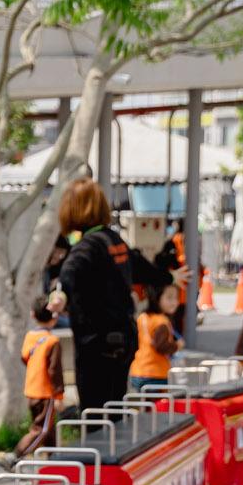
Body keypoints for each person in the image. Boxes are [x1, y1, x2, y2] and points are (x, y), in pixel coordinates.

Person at [47, 177, 182, 413]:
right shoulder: (115, 240)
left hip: (95, 342)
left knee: (94, 412)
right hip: (124, 338)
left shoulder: (86, 246)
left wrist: (58, 296)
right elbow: (141, 266)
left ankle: (100, 449)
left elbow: (68, 275)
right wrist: (171, 277)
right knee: (115, 407)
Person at [12, 296, 64, 464]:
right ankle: (18, 455)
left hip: (31, 389)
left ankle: (53, 458)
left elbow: (24, 357)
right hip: (46, 392)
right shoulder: (52, 341)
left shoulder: (29, 337)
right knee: (41, 429)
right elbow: (54, 370)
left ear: (33, 315)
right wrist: (59, 396)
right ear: (54, 317)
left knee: (49, 427)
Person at [129, 282, 181, 389]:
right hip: (156, 373)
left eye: (176, 298)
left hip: (138, 370)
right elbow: (161, 346)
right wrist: (177, 345)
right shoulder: (161, 321)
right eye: (169, 298)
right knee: (157, 405)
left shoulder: (142, 317)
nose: (174, 302)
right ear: (157, 297)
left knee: (142, 404)